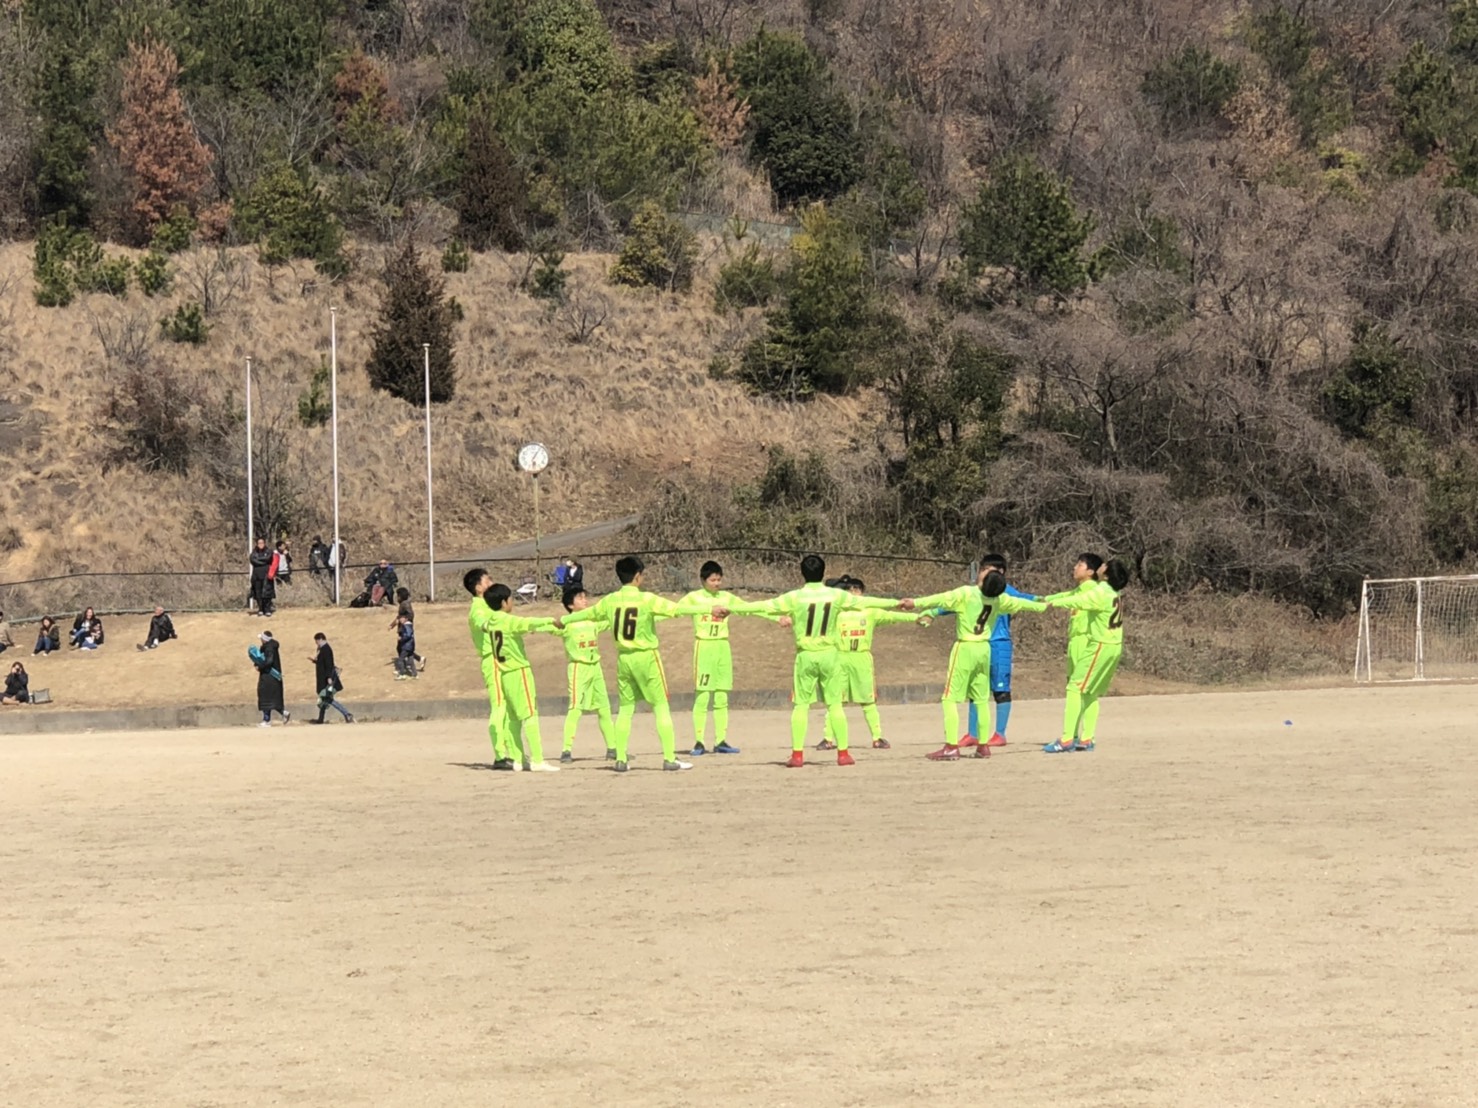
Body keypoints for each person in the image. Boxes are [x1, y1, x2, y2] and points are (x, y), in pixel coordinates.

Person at [725, 554, 901, 767]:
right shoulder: (835, 595)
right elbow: (866, 602)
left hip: (806, 655)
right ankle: (843, 754)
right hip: (830, 654)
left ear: (802, 573)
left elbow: (762, 606)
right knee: (835, 704)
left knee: (801, 706)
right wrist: (898, 602)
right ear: (823, 572)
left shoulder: (795, 597)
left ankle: (797, 755)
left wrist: (730, 609)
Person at [558, 555, 715, 773]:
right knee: (660, 705)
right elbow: (678, 610)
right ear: (638, 576)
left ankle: (621, 759)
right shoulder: (647, 599)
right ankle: (669, 758)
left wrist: (564, 619)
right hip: (647, 657)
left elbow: (588, 614)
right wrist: (710, 610)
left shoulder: (610, 600)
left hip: (624, 659)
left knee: (625, 709)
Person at [898, 564, 1047, 762]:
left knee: (949, 698)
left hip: (965, 648)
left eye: (986, 571)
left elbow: (940, 598)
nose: (983, 571)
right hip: (984, 649)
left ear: (984, 581)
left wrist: (915, 603)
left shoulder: (966, 594)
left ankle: (951, 746)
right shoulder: (999, 600)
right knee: (981, 699)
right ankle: (983, 746)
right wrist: (1045, 603)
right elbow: (1024, 603)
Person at [817, 576, 927, 752]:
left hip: (861, 658)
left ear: (861, 592)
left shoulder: (870, 612)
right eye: (849, 590)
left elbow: (892, 616)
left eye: (856, 590)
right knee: (835, 700)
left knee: (867, 700)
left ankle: (877, 737)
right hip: (839, 657)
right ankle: (828, 738)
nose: (853, 593)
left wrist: (917, 617)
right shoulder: (835, 611)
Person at [1042, 558, 1130, 753]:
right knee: (1091, 692)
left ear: (1106, 573)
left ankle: (1066, 739)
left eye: (1104, 565)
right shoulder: (1113, 592)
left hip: (1100, 645)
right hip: (1113, 645)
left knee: (1074, 687)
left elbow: (1079, 600)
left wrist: (1053, 603)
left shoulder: (1101, 591)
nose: (1101, 566)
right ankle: (1087, 738)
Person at [956, 554, 1039, 750]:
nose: (984, 573)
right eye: (983, 569)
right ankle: (973, 733)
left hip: (1000, 644)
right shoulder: (975, 592)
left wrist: (1048, 600)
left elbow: (1026, 599)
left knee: (1001, 689)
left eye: (988, 569)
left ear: (1000, 572)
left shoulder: (1005, 591)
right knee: (976, 689)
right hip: (981, 645)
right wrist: (933, 612)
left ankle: (1000, 733)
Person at [484, 582, 562, 772]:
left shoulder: (491, 621)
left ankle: (518, 759)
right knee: (530, 715)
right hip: (519, 672)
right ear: (504, 602)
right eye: (511, 599)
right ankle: (537, 759)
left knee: (513, 718)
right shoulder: (508, 621)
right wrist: (551, 621)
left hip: (504, 673)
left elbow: (485, 626)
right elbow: (529, 622)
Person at [679, 560, 746, 757]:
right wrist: (706, 609)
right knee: (702, 696)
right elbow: (676, 610)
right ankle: (699, 741)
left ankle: (720, 741)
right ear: (703, 580)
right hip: (704, 646)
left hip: (722, 647)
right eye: (712, 580)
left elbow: (749, 608)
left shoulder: (726, 597)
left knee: (722, 696)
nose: (717, 583)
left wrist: (777, 617)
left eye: (719, 580)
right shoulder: (694, 597)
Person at [1039, 553, 1104, 748]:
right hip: (1076, 642)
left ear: (1090, 572)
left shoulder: (1092, 590)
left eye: (1080, 565)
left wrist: (1050, 602)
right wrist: (1042, 599)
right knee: (1081, 690)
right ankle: (1079, 736)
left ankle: (1078, 736)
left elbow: (1069, 599)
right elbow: (1065, 595)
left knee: (1082, 690)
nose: (1075, 567)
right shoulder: (1080, 589)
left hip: (1086, 641)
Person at [556, 586, 618, 762]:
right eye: (580, 598)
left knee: (604, 708)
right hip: (578, 668)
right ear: (570, 605)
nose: (585, 600)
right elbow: (550, 626)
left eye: (585, 597)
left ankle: (612, 748)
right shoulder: (567, 625)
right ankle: (566, 750)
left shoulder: (592, 622)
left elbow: (611, 620)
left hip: (595, 668)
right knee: (575, 708)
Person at [464, 567, 516, 771]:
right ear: (478, 588)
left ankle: (512, 752)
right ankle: (500, 755)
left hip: (502, 658)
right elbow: (482, 623)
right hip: (492, 660)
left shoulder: (489, 605)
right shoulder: (478, 608)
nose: (492, 583)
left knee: (508, 707)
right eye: (488, 581)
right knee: (499, 705)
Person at [308, 632, 353, 724]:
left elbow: (329, 664)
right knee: (324, 698)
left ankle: (346, 713)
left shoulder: (326, 649)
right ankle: (321, 718)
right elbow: (322, 663)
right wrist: (315, 661)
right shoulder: (322, 649)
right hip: (323, 678)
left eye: (316, 641)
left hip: (326, 678)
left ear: (320, 639)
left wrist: (329, 677)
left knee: (327, 698)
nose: (316, 643)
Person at [250, 630, 290, 727]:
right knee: (272, 698)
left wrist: (260, 666)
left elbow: (269, 661)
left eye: (261, 638)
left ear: (264, 639)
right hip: (273, 677)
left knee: (265, 697)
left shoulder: (269, 648)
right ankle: (284, 713)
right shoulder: (270, 647)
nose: (260, 640)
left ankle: (266, 720)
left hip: (269, 676)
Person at [390, 587, 426, 671]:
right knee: (405, 648)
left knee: (402, 648)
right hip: (403, 629)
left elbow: (410, 615)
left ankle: (403, 667)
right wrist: (392, 625)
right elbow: (399, 617)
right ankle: (419, 659)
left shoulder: (405, 604)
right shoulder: (403, 604)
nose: (397, 598)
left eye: (398, 596)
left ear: (401, 596)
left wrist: (405, 620)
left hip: (405, 630)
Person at [249, 538, 276, 616]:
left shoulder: (269, 551)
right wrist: (264, 562)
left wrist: (260, 561)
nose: (261, 544)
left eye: (262, 543)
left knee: (267, 592)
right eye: (259, 543)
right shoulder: (254, 553)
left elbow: (268, 559)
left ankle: (267, 609)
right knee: (258, 592)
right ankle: (260, 609)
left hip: (267, 575)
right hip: (256, 575)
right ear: (257, 544)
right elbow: (253, 560)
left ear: (264, 543)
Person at [394, 614, 418, 679]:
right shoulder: (408, 625)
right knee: (410, 660)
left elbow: (408, 635)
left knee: (400, 660)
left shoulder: (406, 626)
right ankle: (415, 675)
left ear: (406, 619)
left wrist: (401, 638)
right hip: (410, 646)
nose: (400, 620)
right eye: (400, 619)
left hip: (407, 646)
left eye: (402, 618)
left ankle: (402, 674)